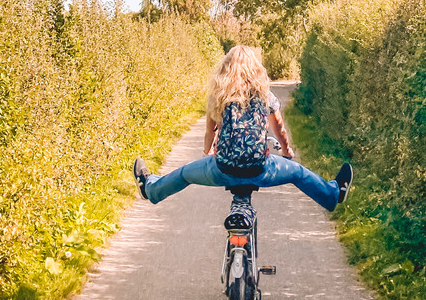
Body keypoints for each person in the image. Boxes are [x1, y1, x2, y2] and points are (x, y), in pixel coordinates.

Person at [132, 45, 353, 211]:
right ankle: (333, 194)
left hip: (222, 170)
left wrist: (207, 154)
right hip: (260, 169)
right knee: (299, 174)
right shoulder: (265, 95)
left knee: (183, 174)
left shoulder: (218, 96)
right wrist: (286, 152)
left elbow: (210, 133)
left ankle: (150, 189)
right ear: (256, 70)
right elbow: (279, 130)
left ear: (225, 70)